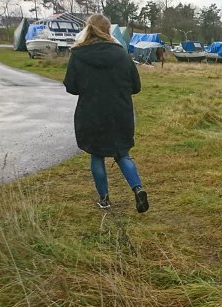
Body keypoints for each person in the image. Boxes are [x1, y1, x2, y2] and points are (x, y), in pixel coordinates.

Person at [63, 14, 149, 213]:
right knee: (122, 154)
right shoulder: (122, 54)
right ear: (108, 30)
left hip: (91, 113)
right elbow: (136, 87)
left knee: (97, 155)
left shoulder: (78, 54)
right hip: (120, 112)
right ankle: (138, 189)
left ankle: (104, 199)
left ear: (88, 28)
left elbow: (71, 87)